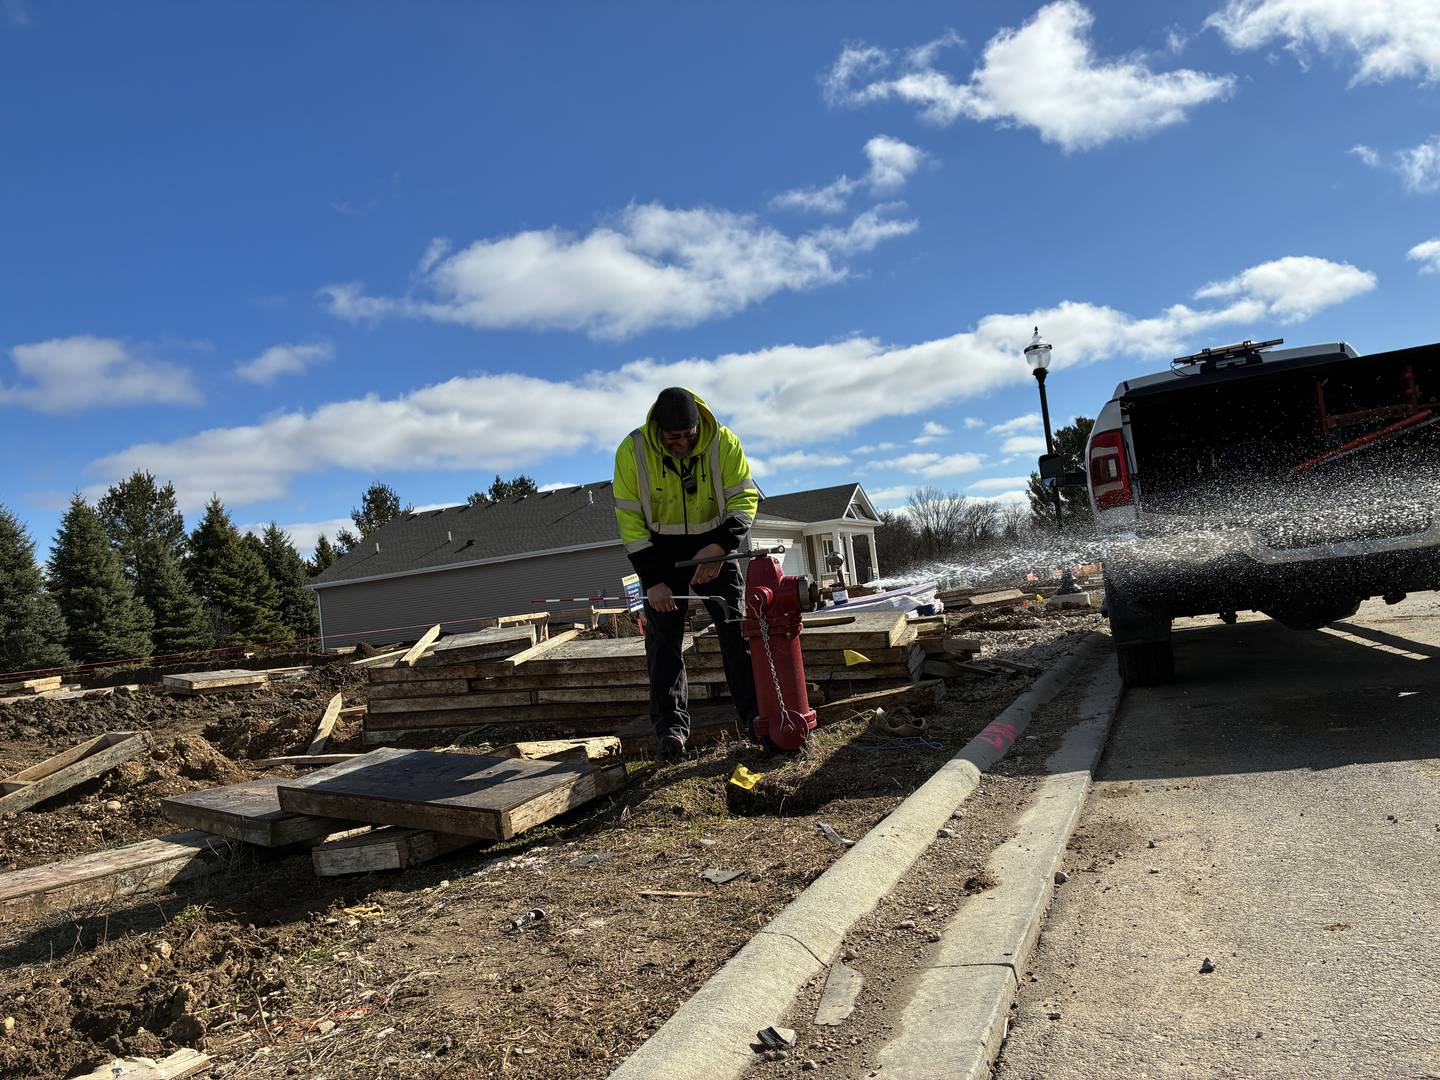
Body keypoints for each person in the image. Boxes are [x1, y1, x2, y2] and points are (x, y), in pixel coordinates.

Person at [613, 387, 761, 761]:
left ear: (699, 426)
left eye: (688, 436)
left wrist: (720, 548)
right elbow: (630, 522)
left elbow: (745, 498)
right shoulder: (631, 452)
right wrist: (652, 581)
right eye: (673, 437)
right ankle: (671, 734)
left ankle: (756, 718)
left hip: (714, 542)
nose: (681, 443)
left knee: (737, 632)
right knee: (664, 645)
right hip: (660, 552)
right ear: (658, 430)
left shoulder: (723, 441)